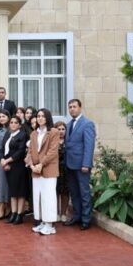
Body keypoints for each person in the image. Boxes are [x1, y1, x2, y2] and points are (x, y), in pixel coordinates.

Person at [26, 109, 60, 236]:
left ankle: (50, 225)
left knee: (48, 197)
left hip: (48, 169)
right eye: (38, 116)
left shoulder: (54, 132)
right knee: (38, 197)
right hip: (35, 170)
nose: (40, 118)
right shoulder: (34, 133)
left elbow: (52, 152)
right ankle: (42, 222)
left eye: (43, 116)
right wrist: (31, 165)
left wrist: (41, 164)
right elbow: (29, 151)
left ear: (47, 118)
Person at [64, 99, 96, 230]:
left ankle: (86, 219)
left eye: (74, 107)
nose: (72, 109)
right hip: (70, 164)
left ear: (80, 108)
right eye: (70, 107)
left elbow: (89, 146)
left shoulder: (87, 124)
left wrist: (86, 164)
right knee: (74, 192)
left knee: (84, 192)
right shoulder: (69, 124)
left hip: (82, 165)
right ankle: (76, 216)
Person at [1, 116, 28, 225]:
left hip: (18, 166)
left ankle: (19, 214)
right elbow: (3, 148)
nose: (13, 124)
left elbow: (20, 151)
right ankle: (13, 213)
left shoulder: (23, 135)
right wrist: (3, 160)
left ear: (19, 125)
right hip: (9, 166)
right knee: (12, 191)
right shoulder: (8, 134)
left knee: (20, 191)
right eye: (11, 122)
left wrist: (7, 160)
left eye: (15, 122)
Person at [0, 110, 11, 219]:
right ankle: (1, 206)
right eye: (0, 117)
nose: (1, 118)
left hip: (8, 159)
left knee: (7, 184)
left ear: (8, 117)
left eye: (3, 116)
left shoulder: (11, 129)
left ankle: (7, 206)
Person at [54, 121, 70, 222]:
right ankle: (55, 213)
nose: (61, 131)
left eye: (63, 129)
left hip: (66, 170)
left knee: (65, 193)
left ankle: (64, 213)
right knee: (55, 192)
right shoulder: (52, 142)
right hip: (55, 169)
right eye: (58, 129)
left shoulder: (68, 141)